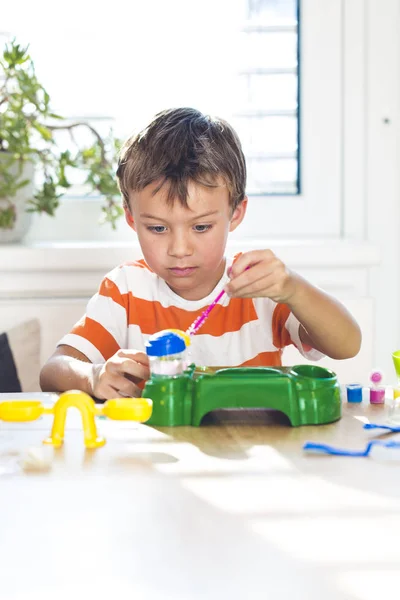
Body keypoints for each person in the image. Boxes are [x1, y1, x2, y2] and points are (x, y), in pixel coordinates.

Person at [40, 107, 361, 399]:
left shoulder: (260, 289)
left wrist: (293, 289)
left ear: (235, 213)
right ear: (131, 218)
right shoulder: (125, 290)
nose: (180, 250)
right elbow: (53, 371)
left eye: (201, 227)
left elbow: (347, 345)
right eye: (158, 229)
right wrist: (92, 375)